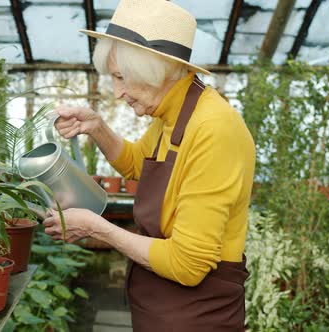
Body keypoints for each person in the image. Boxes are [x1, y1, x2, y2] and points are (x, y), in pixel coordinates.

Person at [42, 0, 256, 331]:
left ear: (153, 70)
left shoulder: (213, 129)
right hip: (159, 307)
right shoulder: (172, 112)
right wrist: (96, 127)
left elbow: (188, 264)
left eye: (121, 77)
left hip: (197, 317)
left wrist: (98, 228)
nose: (117, 92)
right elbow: (137, 166)